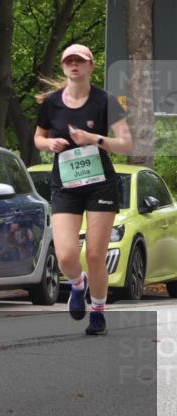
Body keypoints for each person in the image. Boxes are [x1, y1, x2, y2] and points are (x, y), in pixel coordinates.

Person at [34, 44, 132, 335]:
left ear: (90, 66)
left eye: (80, 61)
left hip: (100, 182)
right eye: (69, 62)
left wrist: (94, 138)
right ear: (64, 68)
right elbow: (38, 138)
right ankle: (78, 284)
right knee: (65, 255)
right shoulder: (51, 103)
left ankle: (98, 310)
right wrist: (48, 144)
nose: (74, 66)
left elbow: (126, 144)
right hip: (65, 182)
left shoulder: (106, 100)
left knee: (94, 254)